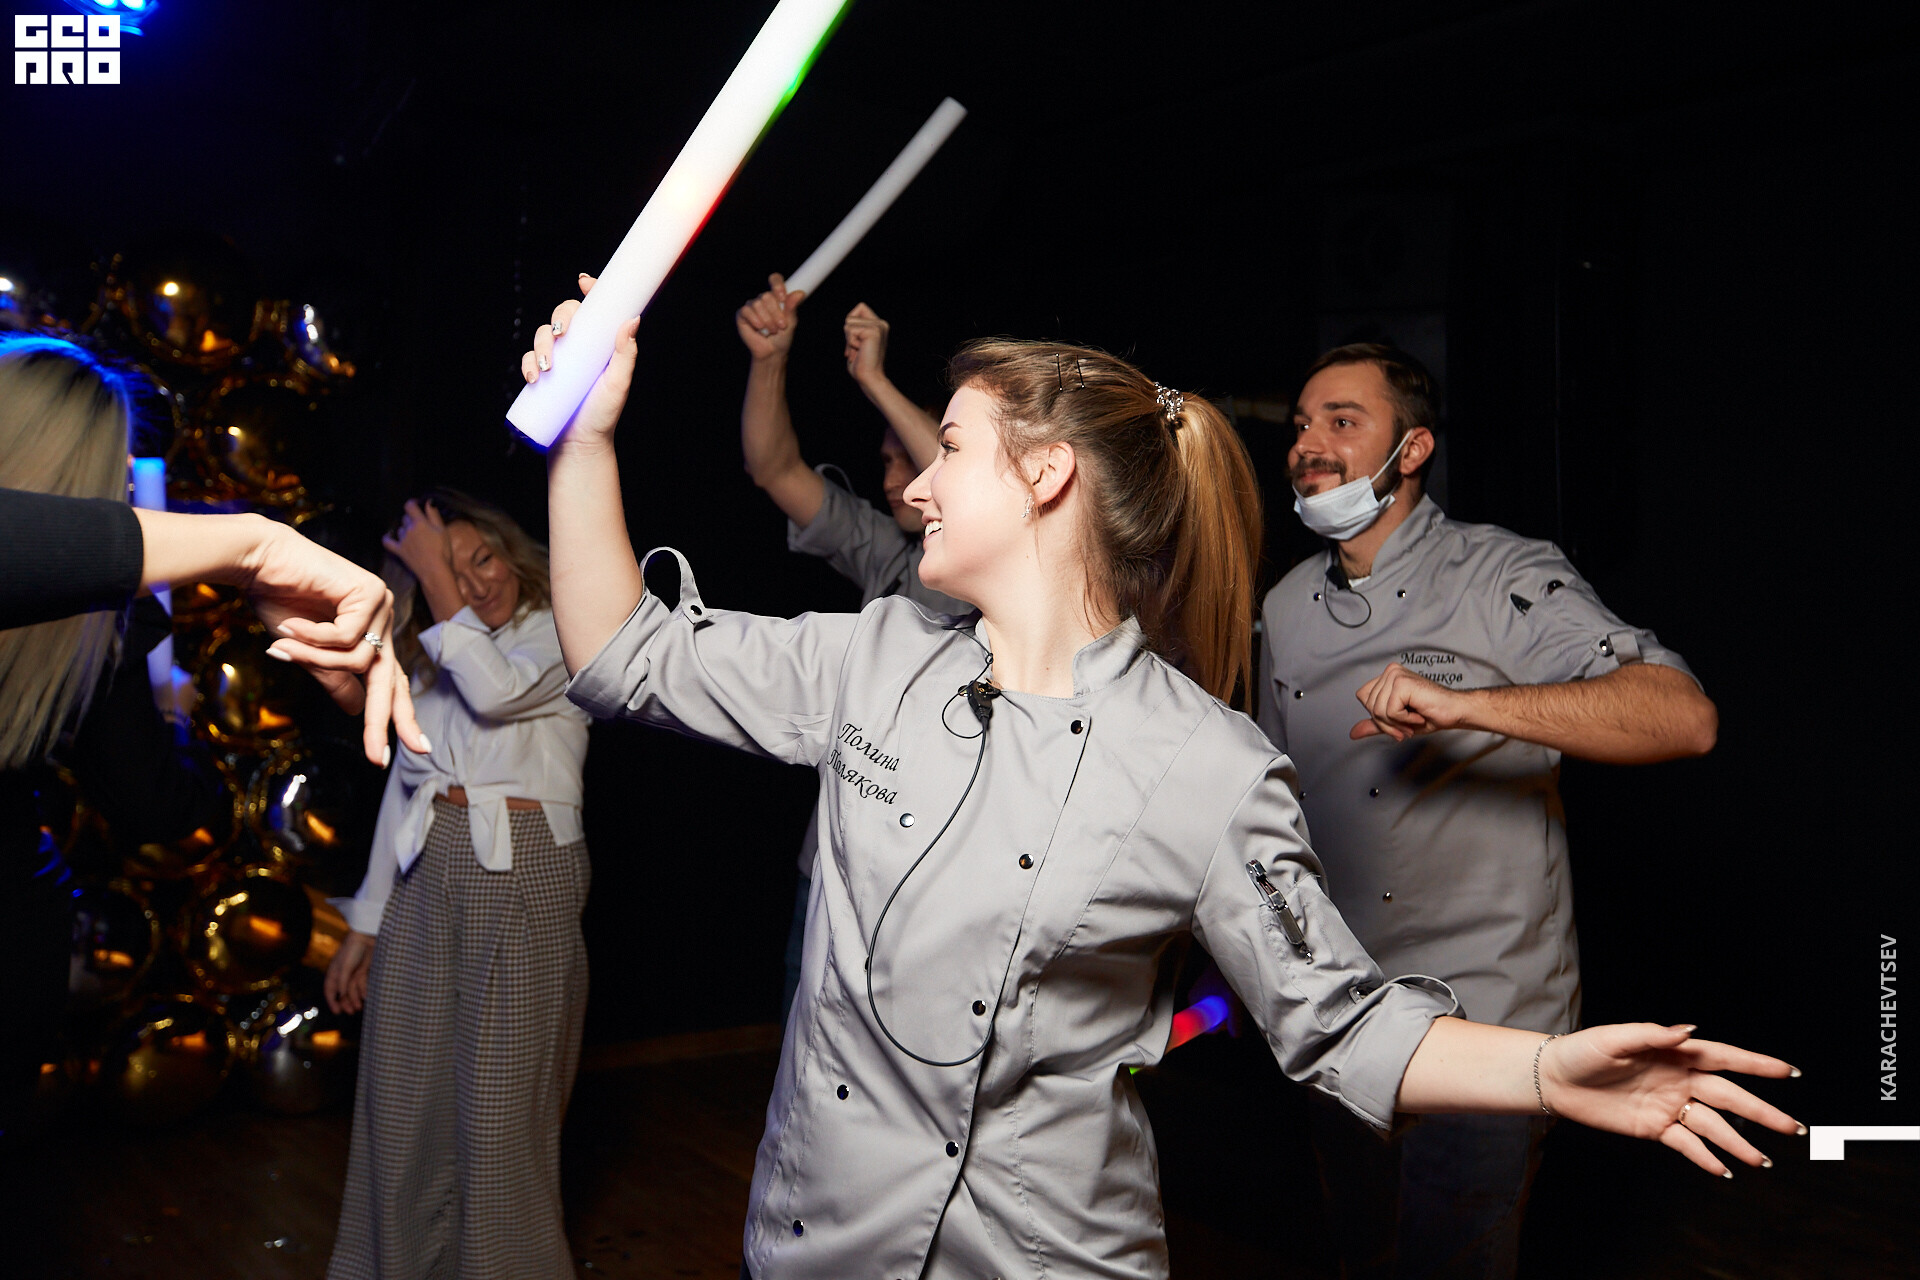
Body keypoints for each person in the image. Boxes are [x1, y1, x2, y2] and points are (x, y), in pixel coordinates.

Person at [527, 283, 1796, 1280]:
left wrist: (1547, 1069)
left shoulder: (1208, 763)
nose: (918, 481)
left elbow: (1338, 1021)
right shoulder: (871, 658)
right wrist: (585, 439)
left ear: (1046, 475)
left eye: (950, 447)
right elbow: (623, 654)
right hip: (821, 1241)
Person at [1257, 343, 1720, 1280]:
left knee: (1455, 1262)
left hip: (1490, 1013)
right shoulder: (1286, 604)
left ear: (1414, 448)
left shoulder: (1503, 572)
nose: (1309, 443)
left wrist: (1470, 706)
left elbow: (1683, 717)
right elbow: (1274, 802)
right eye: (1303, 423)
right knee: (1359, 1247)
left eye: (1343, 421)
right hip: (1345, 1008)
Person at [0, 333, 418, 1149]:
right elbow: (155, 800)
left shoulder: (102, 621)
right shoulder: (102, 617)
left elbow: (152, 803)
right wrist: (251, 549)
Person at [321, 490, 591, 1280]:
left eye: (482, 558)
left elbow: (496, 690)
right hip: (427, 866)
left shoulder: (567, 628)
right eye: (452, 569)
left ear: (513, 552)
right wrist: (366, 921)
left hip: (524, 866)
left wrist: (434, 574)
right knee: (401, 1107)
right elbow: (407, 786)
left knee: (500, 1122)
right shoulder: (430, 653)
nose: (476, 582)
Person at [734, 273, 965, 1015]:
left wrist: (875, 379)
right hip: (829, 864)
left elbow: (966, 493)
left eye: (909, 459)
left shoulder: (993, 572)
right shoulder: (886, 551)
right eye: (886, 461)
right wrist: (770, 360)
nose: (894, 478)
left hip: (924, 880)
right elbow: (773, 468)